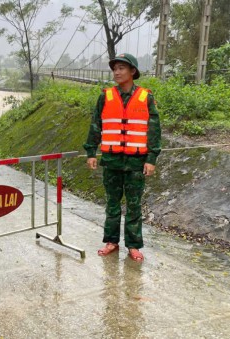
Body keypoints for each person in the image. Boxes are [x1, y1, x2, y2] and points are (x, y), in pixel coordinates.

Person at [83, 53, 161, 262]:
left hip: (136, 162)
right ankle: (111, 241)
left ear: (132, 71)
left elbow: (153, 130)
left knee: (134, 205)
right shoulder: (106, 96)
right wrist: (91, 151)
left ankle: (134, 245)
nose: (117, 72)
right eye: (115, 68)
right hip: (112, 161)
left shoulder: (146, 97)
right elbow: (95, 125)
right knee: (112, 204)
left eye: (121, 68)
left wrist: (151, 158)